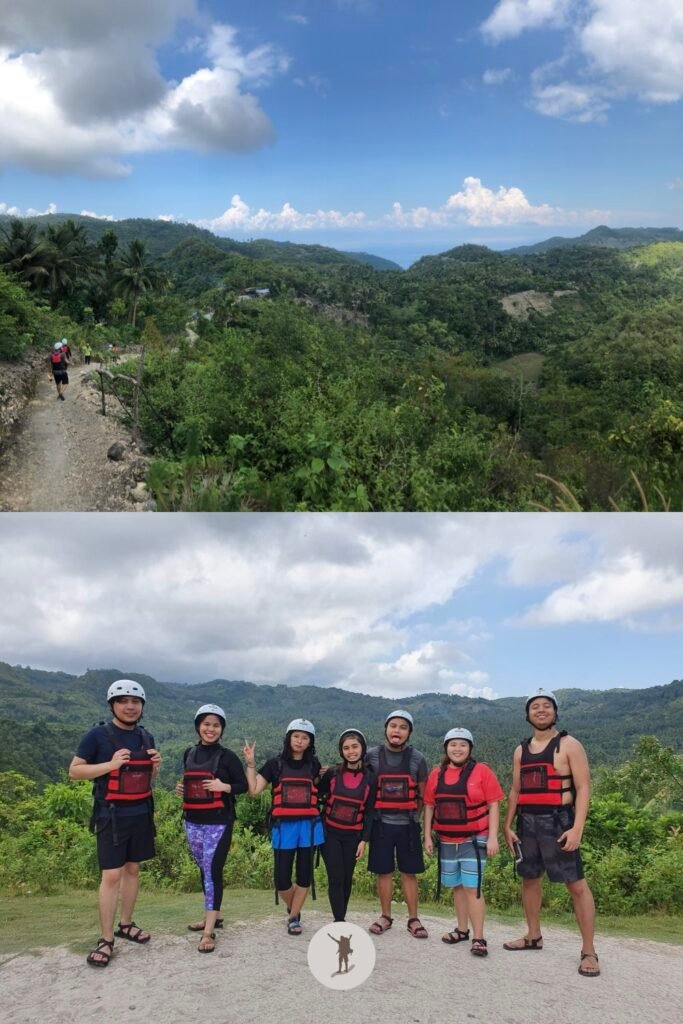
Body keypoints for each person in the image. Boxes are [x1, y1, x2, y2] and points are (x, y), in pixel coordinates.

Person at [503, 688, 600, 977]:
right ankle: (533, 935)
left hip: (559, 822)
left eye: (547, 706)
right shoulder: (520, 750)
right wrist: (508, 825)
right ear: (528, 714)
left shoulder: (569, 745)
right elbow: (516, 790)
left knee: (576, 885)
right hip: (527, 823)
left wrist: (577, 827)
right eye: (535, 707)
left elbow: (583, 787)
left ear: (555, 712)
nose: (541, 710)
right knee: (529, 880)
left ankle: (589, 951)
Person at [68, 680, 161, 968]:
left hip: (140, 812)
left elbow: (144, 778)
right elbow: (74, 770)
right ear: (113, 705)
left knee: (133, 870)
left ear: (142, 706)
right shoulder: (98, 735)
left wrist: (155, 767)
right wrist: (109, 765)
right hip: (111, 814)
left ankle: (126, 924)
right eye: (123, 701)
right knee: (111, 875)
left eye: (135, 702)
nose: (130, 707)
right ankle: (106, 939)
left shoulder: (146, 738)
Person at [423, 728, 503, 958]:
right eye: (453, 744)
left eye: (463, 745)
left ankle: (479, 937)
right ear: (446, 748)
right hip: (447, 839)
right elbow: (429, 805)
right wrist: (427, 836)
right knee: (457, 886)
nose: (457, 749)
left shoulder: (482, 772)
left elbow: (494, 804)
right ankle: (461, 929)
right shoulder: (437, 774)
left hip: (474, 838)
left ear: (470, 748)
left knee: (472, 887)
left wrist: (493, 837)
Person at [176, 704, 248, 953]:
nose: (211, 729)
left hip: (218, 822)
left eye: (216, 725)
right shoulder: (189, 753)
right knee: (203, 869)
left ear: (222, 729)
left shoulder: (227, 757)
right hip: (192, 820)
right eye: (206, 724)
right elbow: (190, 782)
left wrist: (224, 786)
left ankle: (208, 933)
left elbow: (243, 786)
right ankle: (212, 916)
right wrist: (182, 790)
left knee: (212, 871)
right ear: (198, 726)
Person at [243, 719, 324, 935]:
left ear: (310, 742)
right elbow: (253, 790)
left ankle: (293, 918)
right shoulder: (274, 764)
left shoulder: (313, 764)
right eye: (296, 736)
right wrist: (250, 763)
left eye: (305, 737)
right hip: (283, 827)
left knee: (304, 875)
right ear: (288, 738)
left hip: (308, 827)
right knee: (282, 879)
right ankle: (294, 909)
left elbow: (318, 788)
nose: (299, 741)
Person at [366, 710, 429, 939]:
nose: (397, 730)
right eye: (393, 725)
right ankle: (385, 916)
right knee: (383, 872)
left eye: (403, 727)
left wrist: (415, 817)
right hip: (381, 824)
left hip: (408, 825)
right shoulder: (372, 756)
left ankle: (413, 919)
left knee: (409, 872)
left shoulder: (417, 759)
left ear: (409, 733)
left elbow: (423, 795)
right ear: (386, 729)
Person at [318, 729, 376, 921]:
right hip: (329, 834)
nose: (351, 751)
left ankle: (341, 917)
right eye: (346, 748)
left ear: (362, 748)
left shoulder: (370, 778)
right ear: (341, 751)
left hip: (353, 837)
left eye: (355, 747)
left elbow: (369, 812)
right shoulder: (333, 774)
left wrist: (364, 840)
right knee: (336, 878)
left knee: (346, 879)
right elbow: (317, 794)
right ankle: (339, 921)